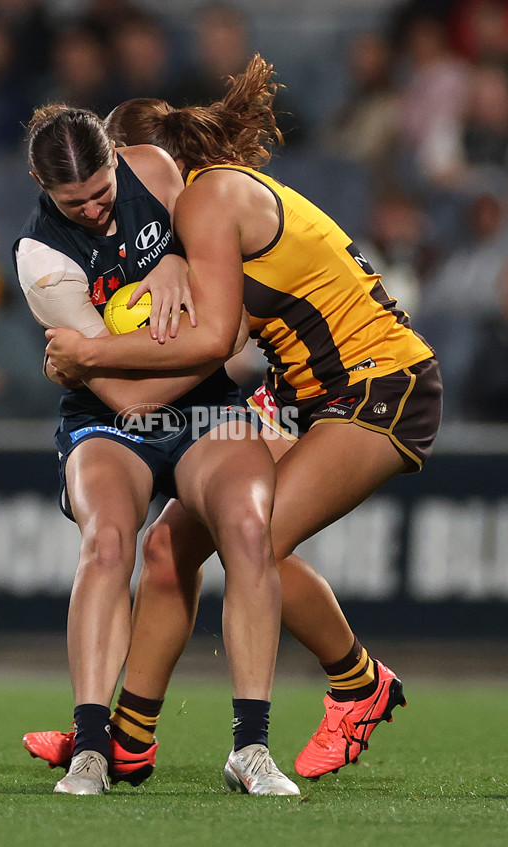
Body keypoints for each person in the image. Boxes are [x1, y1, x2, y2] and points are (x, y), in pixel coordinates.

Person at [32, 55, 443, 784]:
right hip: (306, 392)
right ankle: (128, 737)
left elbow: (215, 341)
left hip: (378, 384)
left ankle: (358, 682)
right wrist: (167, 266)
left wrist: (90, 359)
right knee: (167, 549)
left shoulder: (209, 203)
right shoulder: (202, 215)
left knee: (252, 537)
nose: (117, 211)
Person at [14, 104, 299, 797]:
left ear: (117, 158)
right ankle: (91, 748)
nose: (92, 211)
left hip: (205, 404)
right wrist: (199, 341)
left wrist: (175, 259)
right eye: (73, 203)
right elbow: (126, 397)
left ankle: (252, 749)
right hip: (109, 416)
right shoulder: (43, 261)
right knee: (109, 542)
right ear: (41, 186)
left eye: (101, 192)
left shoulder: (155, 169)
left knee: (250, 529)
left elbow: (226, 310)